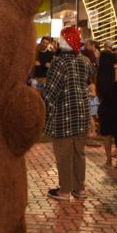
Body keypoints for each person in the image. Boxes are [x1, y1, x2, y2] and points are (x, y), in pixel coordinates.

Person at [42, 26, 93, 201]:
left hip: (64, 115)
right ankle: (80, 188)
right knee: (79, 152)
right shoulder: (84, 61)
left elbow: (51, 91)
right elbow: (87, 82)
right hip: (82, 114)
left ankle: (64, 190)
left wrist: (46, 107)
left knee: (63, 153)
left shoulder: (59, 62)